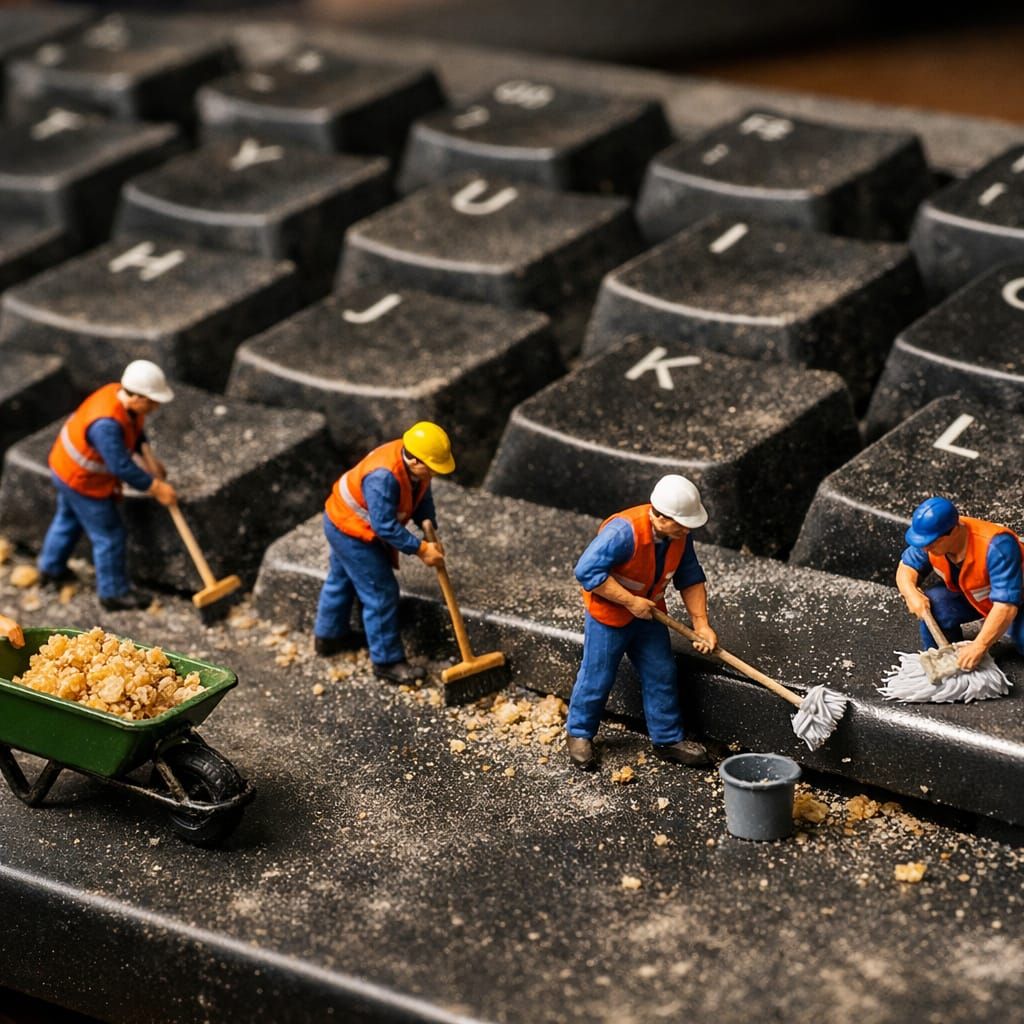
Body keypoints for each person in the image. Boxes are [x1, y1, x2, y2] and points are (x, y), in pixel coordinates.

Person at [565, 475, 716, 771]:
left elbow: (690, 577)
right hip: (609, 617)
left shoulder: (680, 537)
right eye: (681, 524)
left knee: (661, 672)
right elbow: (586, 571)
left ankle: (667, 739)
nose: (686, 530)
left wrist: (701, 623)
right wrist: (630, 602)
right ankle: (580, 733)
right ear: (660, 516)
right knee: (597, 675)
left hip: (648, 616)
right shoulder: (624, 532)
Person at [314, 422, 453, 684]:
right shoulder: (384, 477)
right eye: (432, 468)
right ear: (414, 460)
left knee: (341, 580)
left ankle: (329, 637)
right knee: (381, 592)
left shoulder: (418, 469)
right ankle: (387, 661)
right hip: (350, 529)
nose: (434, 474)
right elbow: (384, 526)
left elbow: (422, 498)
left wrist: (429, 528)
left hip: (344, 521)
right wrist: (421, 549)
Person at [38, 360, 177, 610]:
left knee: (68, 520)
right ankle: (113, 593)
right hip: (82, 481)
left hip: (65, 468)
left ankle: (50, 569)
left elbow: (135, 432)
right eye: (152, 401)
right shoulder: (106, 425)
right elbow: (121, 466)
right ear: (135, 397)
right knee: (110, 535)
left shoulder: (120, 398)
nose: (155, 406)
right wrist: (156, 487)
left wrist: (149, 458)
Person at [896, 496, 1023, 670]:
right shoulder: (931, 538)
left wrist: (979, 645)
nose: (925, 548)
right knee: (937, 604)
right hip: (976, 596)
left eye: (932, 543)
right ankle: (945, 661)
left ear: (954, 530)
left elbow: (1006, 607)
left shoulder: (997, 547)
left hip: (1016, 599)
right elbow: (906, 567)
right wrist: (911, 593)